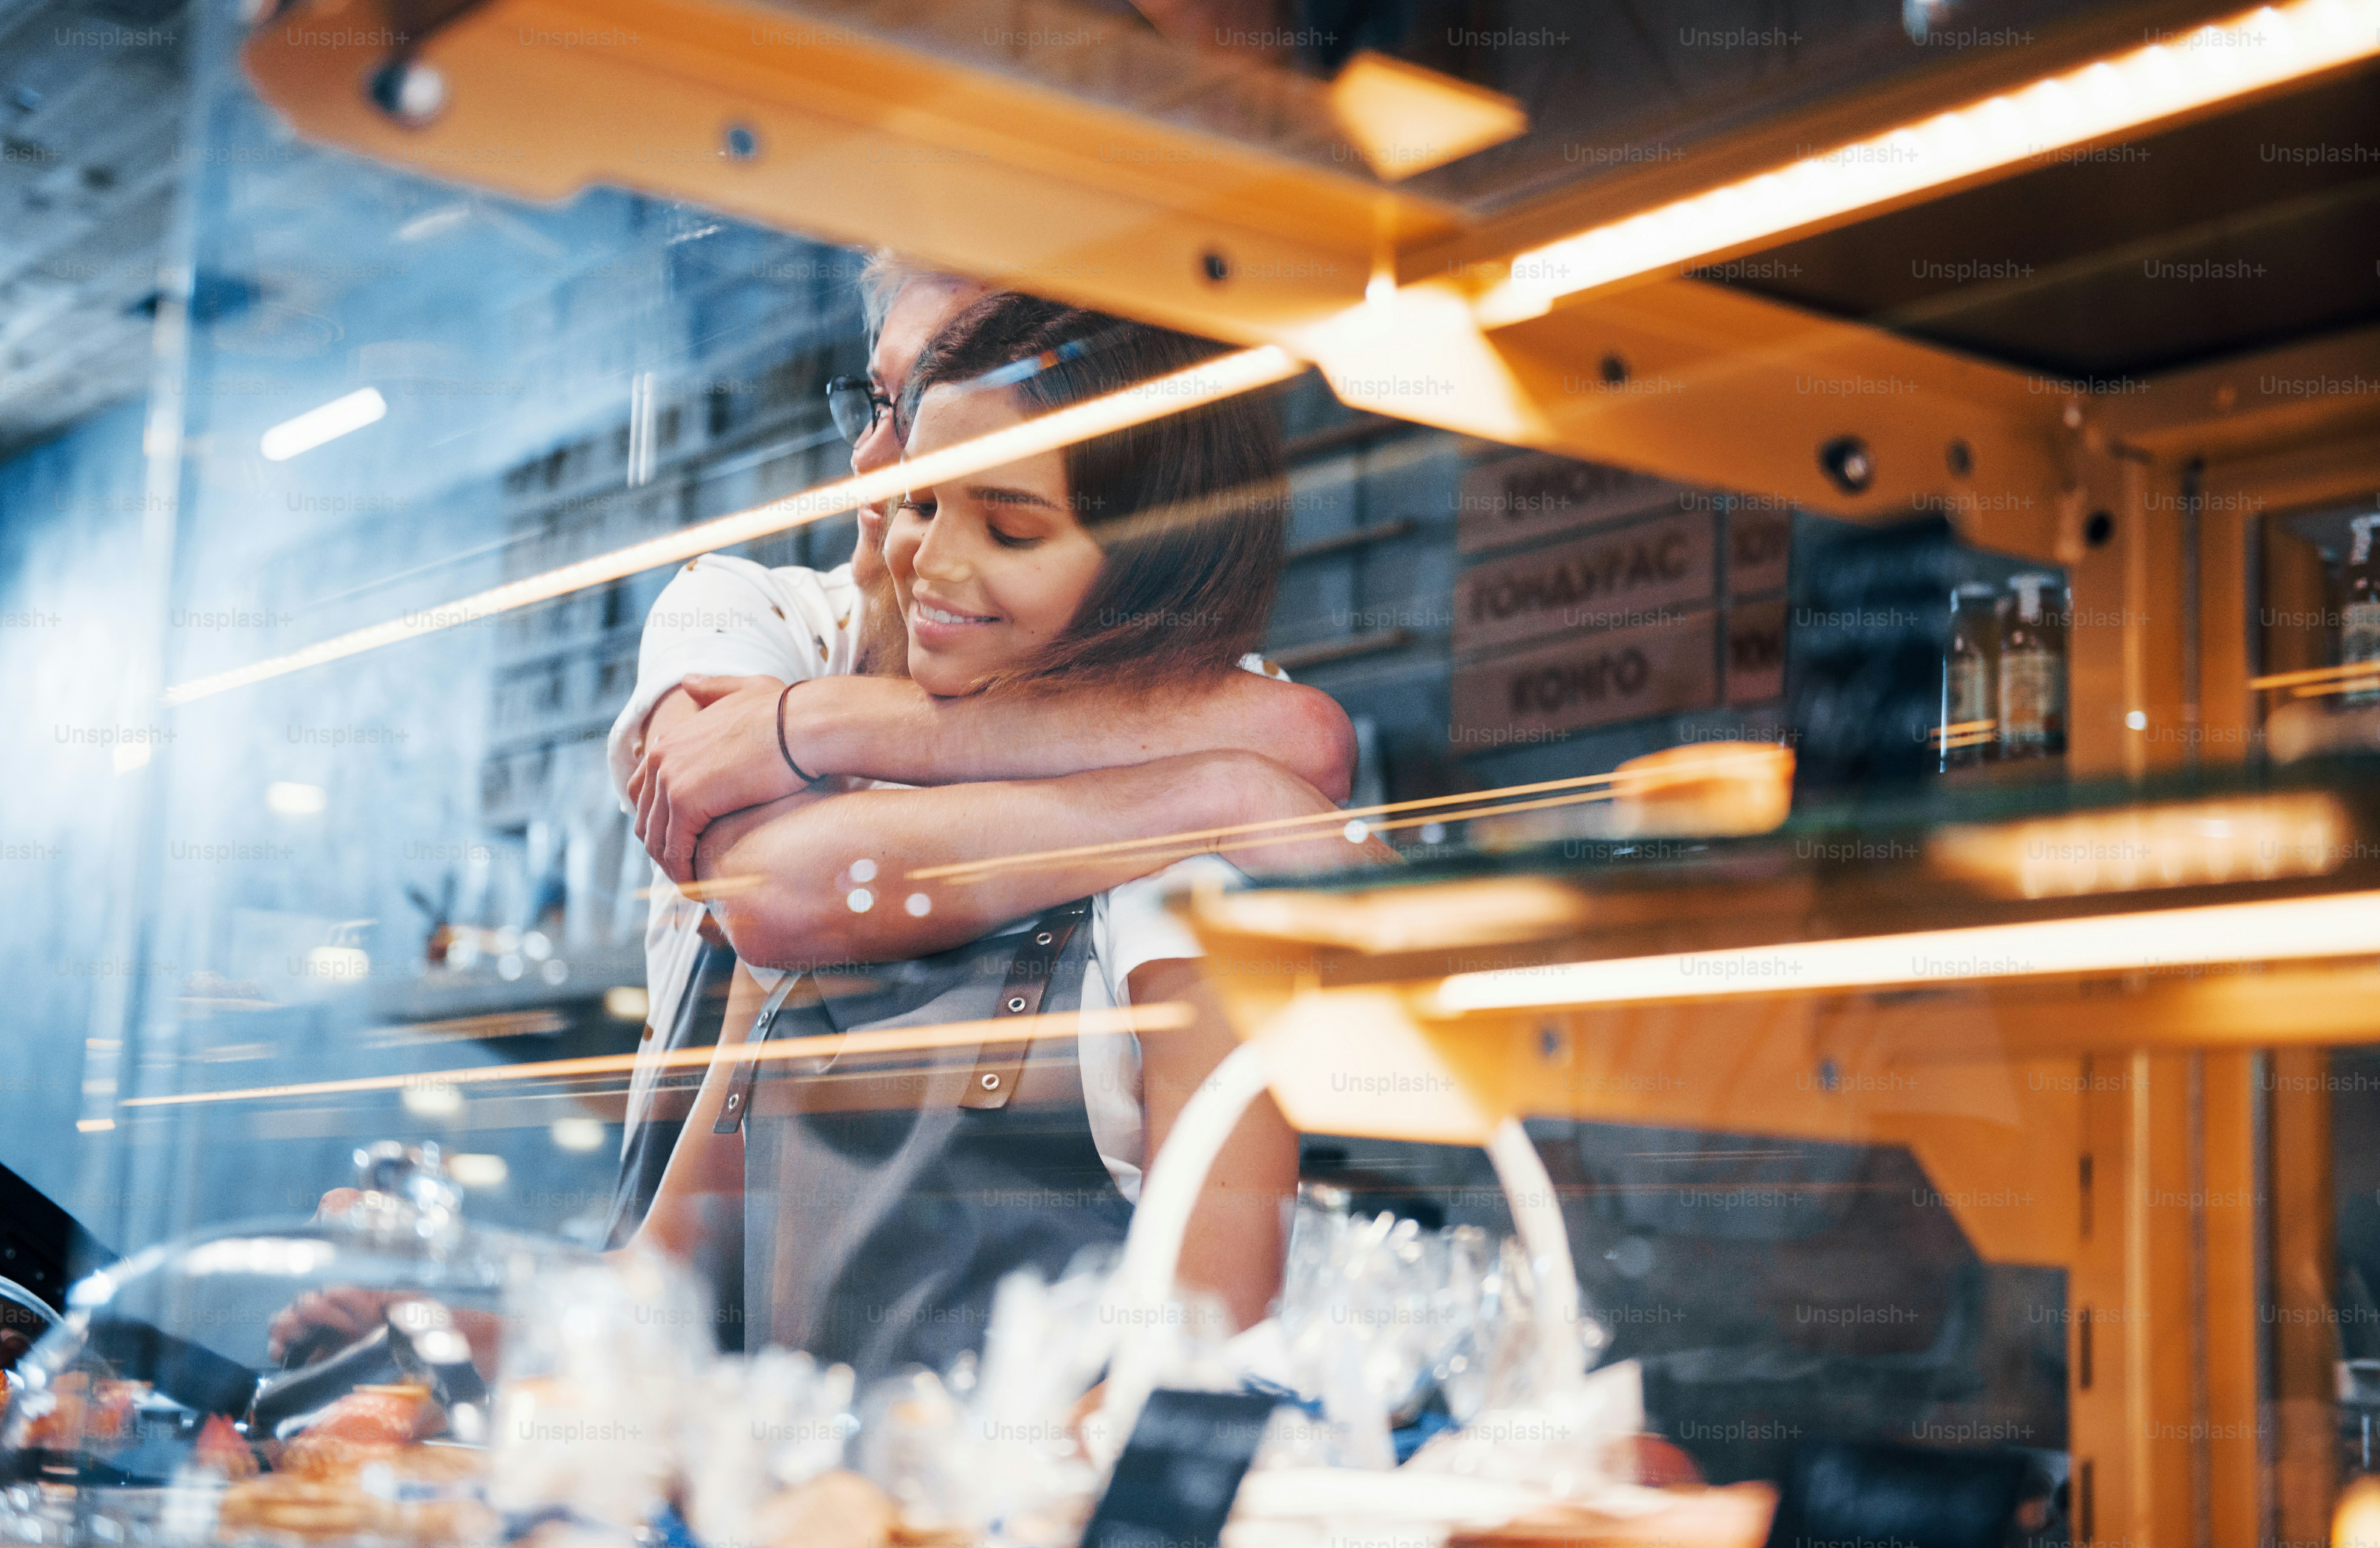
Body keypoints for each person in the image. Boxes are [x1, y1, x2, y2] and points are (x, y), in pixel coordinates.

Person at [632, 294, 1393, 1379]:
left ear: (1146, 572)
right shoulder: (843, 832)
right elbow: (658, 1285)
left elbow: (1195, 1373)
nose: (931, 564)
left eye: (1012, 529)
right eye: (921, 502)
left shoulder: (1188, 902)